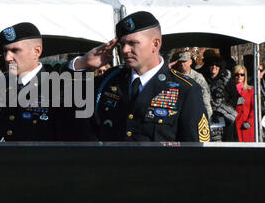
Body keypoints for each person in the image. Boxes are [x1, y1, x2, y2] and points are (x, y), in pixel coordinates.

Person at [69, 11, 210, 142]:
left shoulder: (185, 89)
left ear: (155, 44)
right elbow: (61, 100)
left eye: (132, 43)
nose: (125, 50)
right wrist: (82, 64)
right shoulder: (110, 80)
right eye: (122, 44)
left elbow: (195, 152)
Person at [0, 22, 88, 141]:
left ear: (37, 51)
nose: (7, 58)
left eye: (15, 50)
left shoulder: (59, 89)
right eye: (5, 51)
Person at [201, 55, 239, 142]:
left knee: (227, 142)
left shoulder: (226, 78)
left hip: (225, 116)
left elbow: (234, 96)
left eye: (216, 65)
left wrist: (222, 111)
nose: (214, 67)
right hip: (209, 115)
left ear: (220, 67)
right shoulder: (203, 79)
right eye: (212, 65)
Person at [169, 51, 213, 120]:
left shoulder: (198, 78)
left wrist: (206, 118)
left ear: (190, 62)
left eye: (185, 61)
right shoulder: (173, 76)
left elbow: (206, 99)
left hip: (193, 114)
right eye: (180, 62)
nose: (182, 64)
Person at [233, 65, 255, 142]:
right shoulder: (229, 90)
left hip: (247, 127)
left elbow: (254, 108)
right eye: (237, 74)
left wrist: (249, 122)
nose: (239, 76)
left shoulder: (251, 90)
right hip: (234, 126)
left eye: (242, 74)